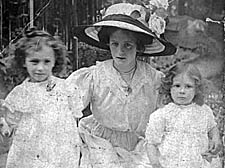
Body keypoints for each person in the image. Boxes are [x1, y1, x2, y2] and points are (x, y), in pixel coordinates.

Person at [66, 2, 176, 168]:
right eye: (114, 44)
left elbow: (168, 115)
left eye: (128, 45)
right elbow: (66, 106)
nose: (120, 51)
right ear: (108, 43)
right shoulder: (95, 76)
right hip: (101, 143)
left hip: (141, 144)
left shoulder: (154, 79)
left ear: (138, 47)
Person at [1, 28, 83, 168]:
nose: (40, 68)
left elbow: (74, 119)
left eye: (46, 62)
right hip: (30, 151)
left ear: (54, 61)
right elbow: (10, 124)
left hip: (61, 149)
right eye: (34, 61)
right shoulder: (20, 93)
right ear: (23, 62)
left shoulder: (66, 88)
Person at [145, 62, 222, 168]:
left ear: (196, 89)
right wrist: (155, 164)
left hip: (199, 162)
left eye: (188, 86)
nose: (182, 91)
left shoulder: (204, 110)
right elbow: (151, 143)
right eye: (177, 86)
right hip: (170, 163)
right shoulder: (162, 114)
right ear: (169, 87)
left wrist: (215, 139)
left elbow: (212, 127)